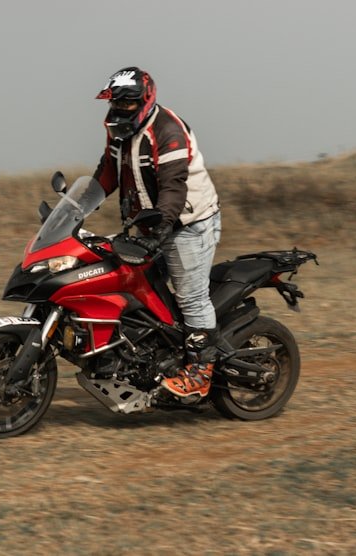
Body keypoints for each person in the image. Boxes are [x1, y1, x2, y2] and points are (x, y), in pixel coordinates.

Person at [92, 66, 222, 399]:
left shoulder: (167, 131)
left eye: (128, 104)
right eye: (115, 104)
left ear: (146, 100)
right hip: (149, 223)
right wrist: (77, 205)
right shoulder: (118, 131)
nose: (120, 110)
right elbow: (109, 171)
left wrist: (161, 229)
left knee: (190, 298)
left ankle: (200, 373)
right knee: (132, 288)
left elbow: (173, 188)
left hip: (187, 224)